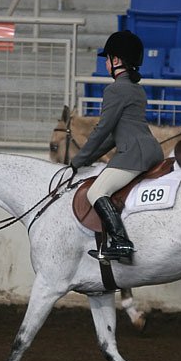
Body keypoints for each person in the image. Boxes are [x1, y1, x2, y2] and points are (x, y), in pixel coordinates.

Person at [70, 30, 164, 262]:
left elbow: (102, 129)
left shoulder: (114, 89)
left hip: (134, 155)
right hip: (151, 150)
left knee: (96, 191)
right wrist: (92, 157)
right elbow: (114, 136)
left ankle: (121, 242)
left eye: (107, 58)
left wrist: (78, 160)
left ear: (117, 61)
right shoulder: (136, 89)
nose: (105, 63)